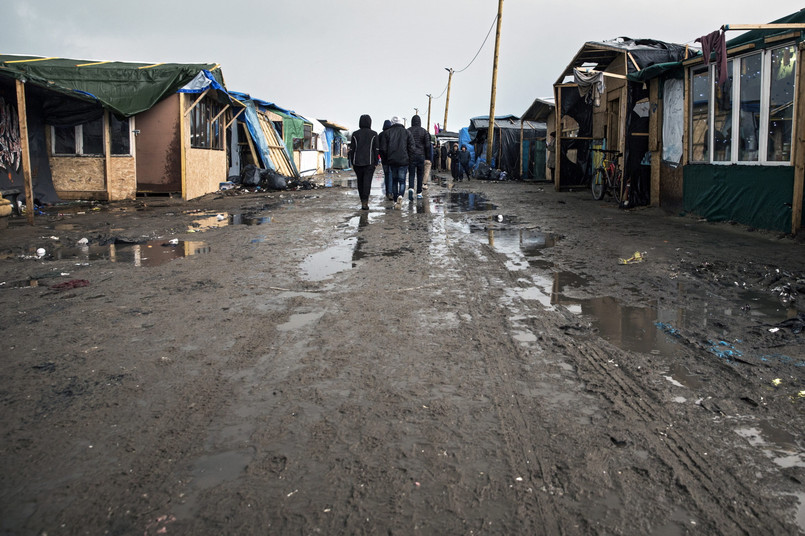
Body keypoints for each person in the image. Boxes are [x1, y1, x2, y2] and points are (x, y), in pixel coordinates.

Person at [379, 116, 414, 206]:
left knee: (394, 181)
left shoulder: (387, 133)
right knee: (402, 181)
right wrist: (409, 158)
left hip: (392, 160)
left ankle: (395, 200)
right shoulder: (407, 132)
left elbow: (383, 148)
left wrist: (387, 158)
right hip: (404, 161)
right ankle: (401, 196)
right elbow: (412, 147)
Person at [348, 114, 379, 210]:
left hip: (357, 162)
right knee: (367, 182)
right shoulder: (374, 134)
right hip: (369, 162)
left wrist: (352, 162)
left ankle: (362, 200)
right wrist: (376, 162)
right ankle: (365, 201)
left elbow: (352, 149)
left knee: (360, 182)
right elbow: (376, 149)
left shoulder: (355, 134)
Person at [407, 115, 430, 200]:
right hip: (421, 155)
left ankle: (411, 188)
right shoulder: (424, 131)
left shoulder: (408, 131)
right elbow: (427, 145)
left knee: (411, 173)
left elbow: (406, 144)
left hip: (411, 155)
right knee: (420, 174)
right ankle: (419, 193)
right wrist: (428, 157)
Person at [377, 119, 394, 200]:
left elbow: (379, 147)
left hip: (384, 159)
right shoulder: (391, 133)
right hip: (391, 158)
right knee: (390, 175)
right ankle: (390, 192)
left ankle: (387, 191)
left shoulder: (380, 135)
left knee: (386, 175)